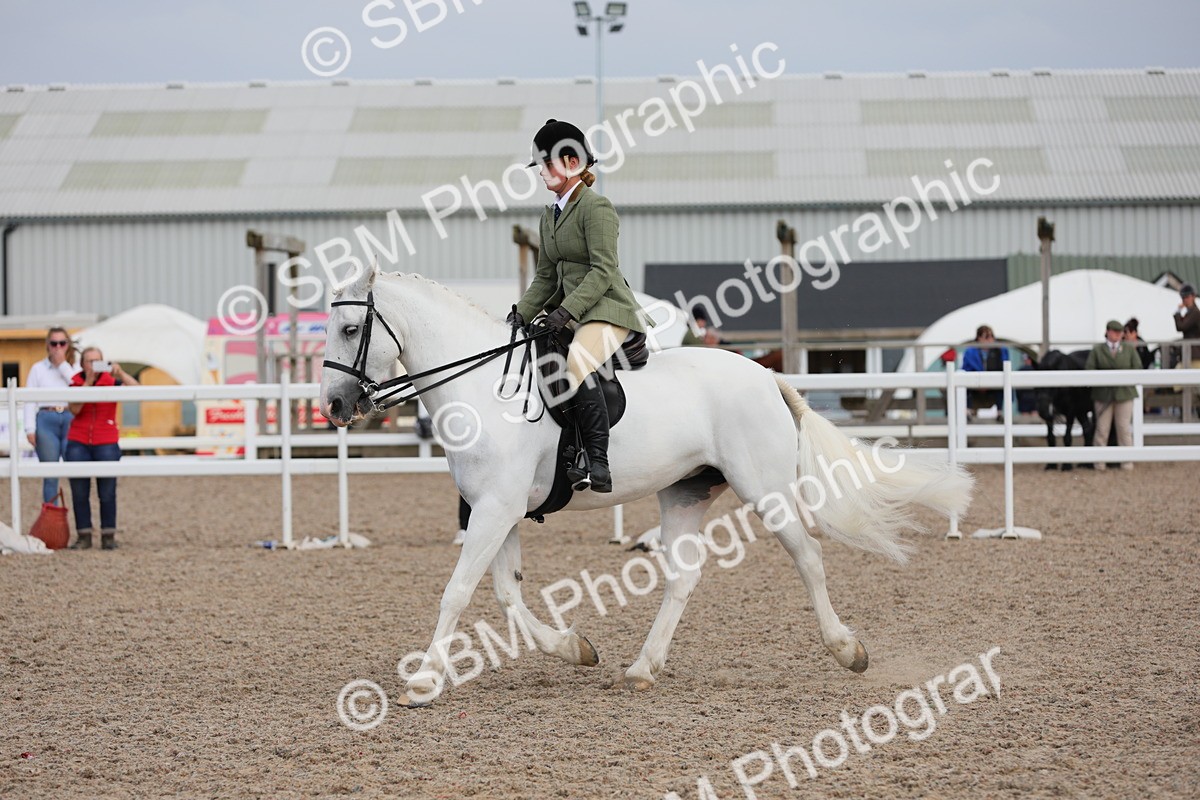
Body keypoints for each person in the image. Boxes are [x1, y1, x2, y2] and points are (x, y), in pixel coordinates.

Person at [507, 119, 649, 493]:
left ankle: (598, 462)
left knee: (577, 362)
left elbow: (604, 270)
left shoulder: (596, 208)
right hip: (571, 313)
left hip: (607, 309)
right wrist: (519, 314)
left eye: (547, 164)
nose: (540, 173)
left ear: (572, 162)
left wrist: (567, 310)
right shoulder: (548, 216)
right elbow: (545, 278)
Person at [66, 347, 138, 549]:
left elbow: (139, 391)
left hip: (106, 440)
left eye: (97, 361)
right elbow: (74, 409)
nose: (93, 365)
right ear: (82, 364)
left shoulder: (112, 381)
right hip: (78, 440)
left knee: (107, 492)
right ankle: (84, 535)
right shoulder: (75, 383)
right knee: (79, 492)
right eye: (89, 361)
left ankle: (108, 536)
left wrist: (121, 373)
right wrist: (88, 383)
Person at [24, 328, 79, 504]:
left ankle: (80, 518)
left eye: (62, 343)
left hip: (70, 418)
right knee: (50, 475)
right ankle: (52, 517)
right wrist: (30, 428)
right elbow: (29, 400)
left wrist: (63, 365)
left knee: (76, 473)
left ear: (68, 345)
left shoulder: (74, 367)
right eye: (54, 343)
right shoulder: (37, 368)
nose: (58, 347)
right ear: (48, 345)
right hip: (46, 419)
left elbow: (77, 385)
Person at [1085, 320, 1141, 471]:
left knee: (1124, 429)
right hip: (1103, 395)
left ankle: (1127, 462)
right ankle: (1099, 463)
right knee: (1102, 429)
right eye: (1114, 332)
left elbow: (1137, 367)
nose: (1116, 335)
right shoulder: (1098, 350)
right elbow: (1089, 369)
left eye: (1119, 332)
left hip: (1124, 394)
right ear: (1107, 332)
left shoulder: (1128, 350)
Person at [961, 325, 1009, 414]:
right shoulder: (970, 352)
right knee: (965, 386)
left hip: (994, 384)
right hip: (975, 384)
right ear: (979, 338)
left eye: (992, 336)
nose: (990, 339)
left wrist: (988, 382)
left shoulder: (1000, 350)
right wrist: (980, 382)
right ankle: (968, 411)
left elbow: (1004, 367)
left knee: (1002, 384)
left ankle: (999, 411)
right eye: (986, 337)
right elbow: (966, 369)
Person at [1175, 284, 1200, 367]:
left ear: (1193, 297)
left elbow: (1181, 327)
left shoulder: (1195, 312)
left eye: (1187, 297)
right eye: (1183, 297)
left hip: (1194, 355)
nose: (1185, 300)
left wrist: (1178, 313)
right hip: (1190, 354)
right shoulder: (1190, 312)